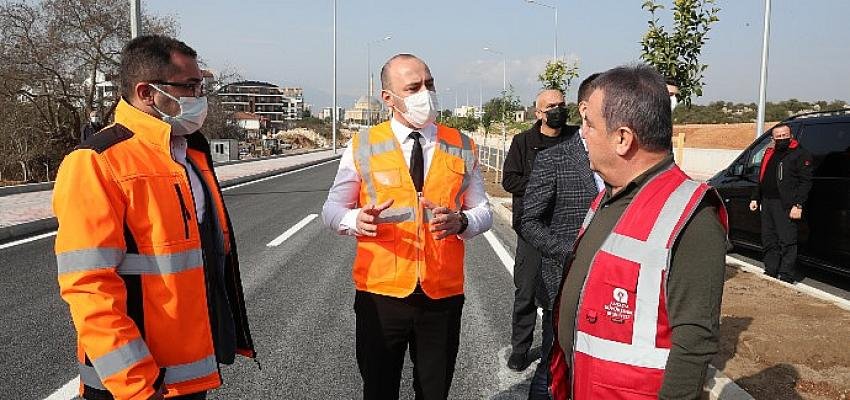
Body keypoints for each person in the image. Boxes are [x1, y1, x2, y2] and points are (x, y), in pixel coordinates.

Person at [53, 35, 256, 400]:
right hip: (134, 387)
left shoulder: (189, 153)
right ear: (147, 92)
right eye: (190, 86)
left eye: (201, 86)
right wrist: (136, 386)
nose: (200, 96)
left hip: (188, 376)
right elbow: (89, 286)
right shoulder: (97, 162)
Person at [548, 64, 729, 400]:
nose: (582, 133)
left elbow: (694, 340)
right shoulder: (610, 196)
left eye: (590, 124)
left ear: (622, 138)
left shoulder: (691, 217)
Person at [321, 53, 492, 400]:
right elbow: (331, 209)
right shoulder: (363, 145)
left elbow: (484, 211)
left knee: (434, 390)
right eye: (413, 88)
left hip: (442, 294)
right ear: (388, 98)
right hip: (381, 295)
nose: (425, 94)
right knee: (379, 389)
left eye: (429, 84)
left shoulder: (461, 145)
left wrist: (463, 221)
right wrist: (356, 220)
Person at [519, 75, 603, 400]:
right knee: (554, 364)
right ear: (585, 110)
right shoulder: (553, 159)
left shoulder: (622, 159)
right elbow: (530, 221)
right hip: (563, 281)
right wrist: (570, 253)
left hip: (606, 284)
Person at [501, 89, 574, 372]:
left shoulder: (575, 139)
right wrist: (545, 187)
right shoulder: (523, 142)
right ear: (538, 113)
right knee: (527, 292)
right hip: (532, 228)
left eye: (561, 105)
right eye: (551, 106)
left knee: (562, 294)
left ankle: (555, 348)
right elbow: (510, 181)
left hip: (566, 228)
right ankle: (520, 349)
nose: (558, 110)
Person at [749, 123, 813, 283]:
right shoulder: (769, 152)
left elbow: (806, 182)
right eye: (778, 136)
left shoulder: (800, 154)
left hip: (786, 204)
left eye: (785, 135)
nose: (782, 138)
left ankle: (786, 275)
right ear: (773, 138)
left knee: (787, 240)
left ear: (791, 135)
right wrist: (755, 197)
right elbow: (761, 176)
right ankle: (771, 271)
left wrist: (798, 204)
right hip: (767, 202)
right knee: (769, 238)